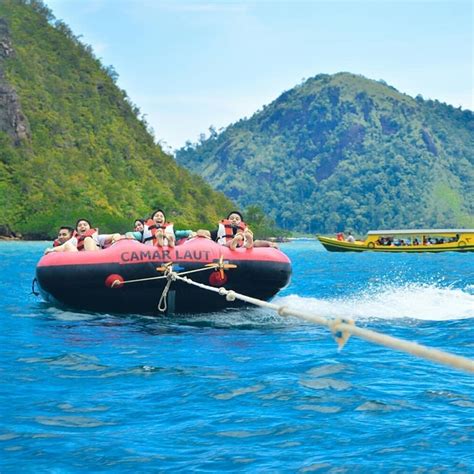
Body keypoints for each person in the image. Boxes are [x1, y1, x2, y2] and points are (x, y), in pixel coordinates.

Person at [208, 211, 277, 251]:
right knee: (228, 243)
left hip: (242, 249)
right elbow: (207, 234)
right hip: (225, 249)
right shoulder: (220, 231)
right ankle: (234, 242)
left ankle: (249, 243)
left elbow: (257, 242)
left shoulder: (245, 232)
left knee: (250, 242)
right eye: (231, 218)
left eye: (237, 219)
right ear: (227, 220)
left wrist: (268, 243)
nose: (234, 220)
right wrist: (199, 233)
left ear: (241, 222)